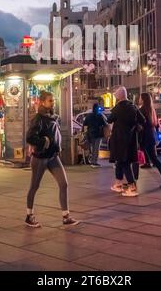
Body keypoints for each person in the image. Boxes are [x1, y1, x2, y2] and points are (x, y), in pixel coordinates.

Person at [25, 91, 79, 228]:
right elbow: (30, 137)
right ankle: (29, 215)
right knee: (34, 186)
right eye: (50, 100)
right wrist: (43, 141)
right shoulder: (38, 118)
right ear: (42, 102)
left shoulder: (53, 117)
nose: (52, 102)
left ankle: (66, 216)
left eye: (53, 100)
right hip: (40, 157)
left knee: (64, 184)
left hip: (53, 156)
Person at [107, 87, 145, 197]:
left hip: (119, 140)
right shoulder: (133, 107)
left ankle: (132, 186)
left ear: (118, 97)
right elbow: (142, 120)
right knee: (120, 161)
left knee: (124, 162)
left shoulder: (118, 108)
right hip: (131, 139)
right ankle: (118, 184)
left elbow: (109, 119)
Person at [139, 93, 161, 189]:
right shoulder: (151, 110)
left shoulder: (142, 110)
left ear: (143, 99)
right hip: (151, 136)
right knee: (154, 158)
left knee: (152, 158)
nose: (139, 99)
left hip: (145, 137)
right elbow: (155, 124)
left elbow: (140, 124)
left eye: (140, 98)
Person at [82, 103, 108, 167]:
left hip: (90, 134)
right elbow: (105, 124)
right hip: (98, 134)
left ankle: (92, 161)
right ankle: (94, 162)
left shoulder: (89, 116)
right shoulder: (100, 116)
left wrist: (85, 133)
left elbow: (84, 124)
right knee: (96, 148)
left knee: (92, 148)